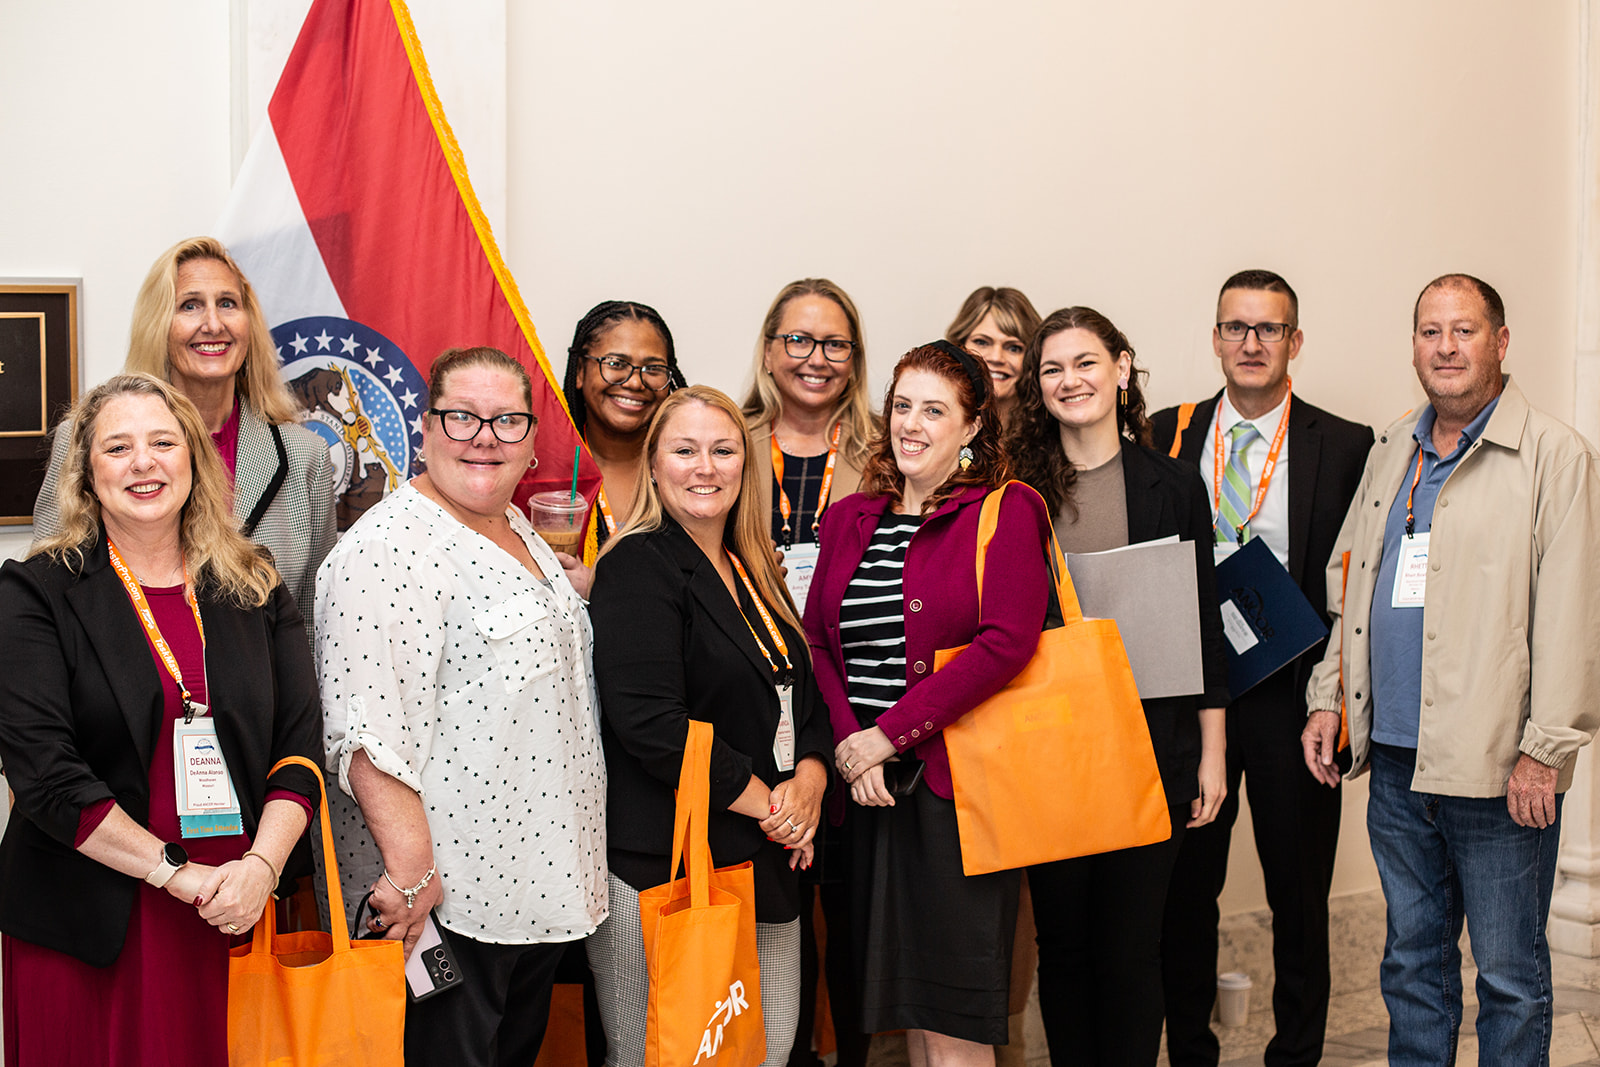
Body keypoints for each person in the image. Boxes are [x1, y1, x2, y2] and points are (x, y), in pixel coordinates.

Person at [1301, 274, 1600, 1066]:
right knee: (1412, 965)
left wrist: (1548, 749)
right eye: (1431, 332)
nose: (1446, 347)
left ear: (1501, 343)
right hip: (1397, 759)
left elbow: (1573, 616)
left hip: (1502, 769)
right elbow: (1353, 578)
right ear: (1414, 347)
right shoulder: (1391, 447)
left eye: (1464, 331)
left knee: (1508, 977)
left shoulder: (1554, 456)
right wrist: (1330, 695)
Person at [0, 373, 322, 1065]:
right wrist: (177, 874)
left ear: (194, 461)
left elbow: (299, 749)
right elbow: (45, 777)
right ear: (86, 475)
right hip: (91, 923)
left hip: (235, 908)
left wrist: (261, 868)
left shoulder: (255, 583)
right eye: (118, 447)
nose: (143, 462)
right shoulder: (36, 593)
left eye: (162, 442)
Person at [317, 346, 608, 1065]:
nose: (485, 436)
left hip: (534, 892)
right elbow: (366, 731)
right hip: (447, 904)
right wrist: (414, 879)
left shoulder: (523, 531)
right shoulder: (386, 549)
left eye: (507, 420)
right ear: (425, 430)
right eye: (462, 417)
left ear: (534, 441)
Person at [806, 341, 1052, 1067]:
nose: (911, 424)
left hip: (957, 800)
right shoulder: (847, 518)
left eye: (934, 410)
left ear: (973, 427)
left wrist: (889, 733)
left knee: (952, 1022)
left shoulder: (1006, 511)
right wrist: (854, 749)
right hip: (870, 800)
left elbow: (1008, 642)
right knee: (909, 1018)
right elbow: (818, 643)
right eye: (902, 406)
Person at [1151, 270, 1373, 1067]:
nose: (1250, 343)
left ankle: (1297, 1053)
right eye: (1235, 328)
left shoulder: (1346, 443)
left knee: (1298, 893)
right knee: (1186, 891)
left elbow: (1361, 579)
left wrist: (1339, 698)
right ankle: (1192, 1052)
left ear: (1295, 343)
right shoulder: (1165, 432)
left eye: (1268, 329)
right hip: (1193, 695)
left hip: (1294, 693)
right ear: (1214, 339)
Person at [1004, 307, 1230, 1066]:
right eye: (1053, 368)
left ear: (1122, 368)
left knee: (1135, 950)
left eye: (1087, 362)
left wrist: (1212, 752)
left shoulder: (1171, 485)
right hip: (1050, 752)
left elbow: (1204, 622)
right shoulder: (1016, 493)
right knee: (1064, 946)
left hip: (1150, 747)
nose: (1071, 380)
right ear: (1039, 387)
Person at [586, 385, 833, 1067]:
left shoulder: (752, 566)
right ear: (654, 465)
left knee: (767, 1051)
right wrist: (773, 806)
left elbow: (802, 698)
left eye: (723, 450)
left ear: (744, 465)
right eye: (685, 449)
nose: (706, 466)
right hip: (663, 868)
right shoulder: (637, 565)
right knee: (657, 1057)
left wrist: (808, 781)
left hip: (763, 861)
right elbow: (650, 723)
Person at [33, 237, 336, 628]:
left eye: (228, 303)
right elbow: (46, 592)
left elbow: (315, 619)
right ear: (158, 323)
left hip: (262, 686)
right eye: (190, 305)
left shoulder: (303, 455)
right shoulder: (83, 439)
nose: (213, 324)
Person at [742, 277, 878, 1066]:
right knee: (777, 918)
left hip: (851, 706)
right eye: (798, 340)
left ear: (855, 358)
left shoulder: (882, 452)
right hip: (756, 713)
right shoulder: (731, 439)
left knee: (854, 918)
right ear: (769, 349)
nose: (814, 358)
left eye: (833, 344)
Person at [557, 299, 688, 587]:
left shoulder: (692, 471)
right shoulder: (547, 475)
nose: (635, 382)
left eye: (653, 369)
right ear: (580, 371)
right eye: (616, 363)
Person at [945, 286, 1042, 433]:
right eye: (982, 342)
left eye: (1013, 348)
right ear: (958, 347)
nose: (997, 358)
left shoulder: (1051, 439)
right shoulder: (933, 426)